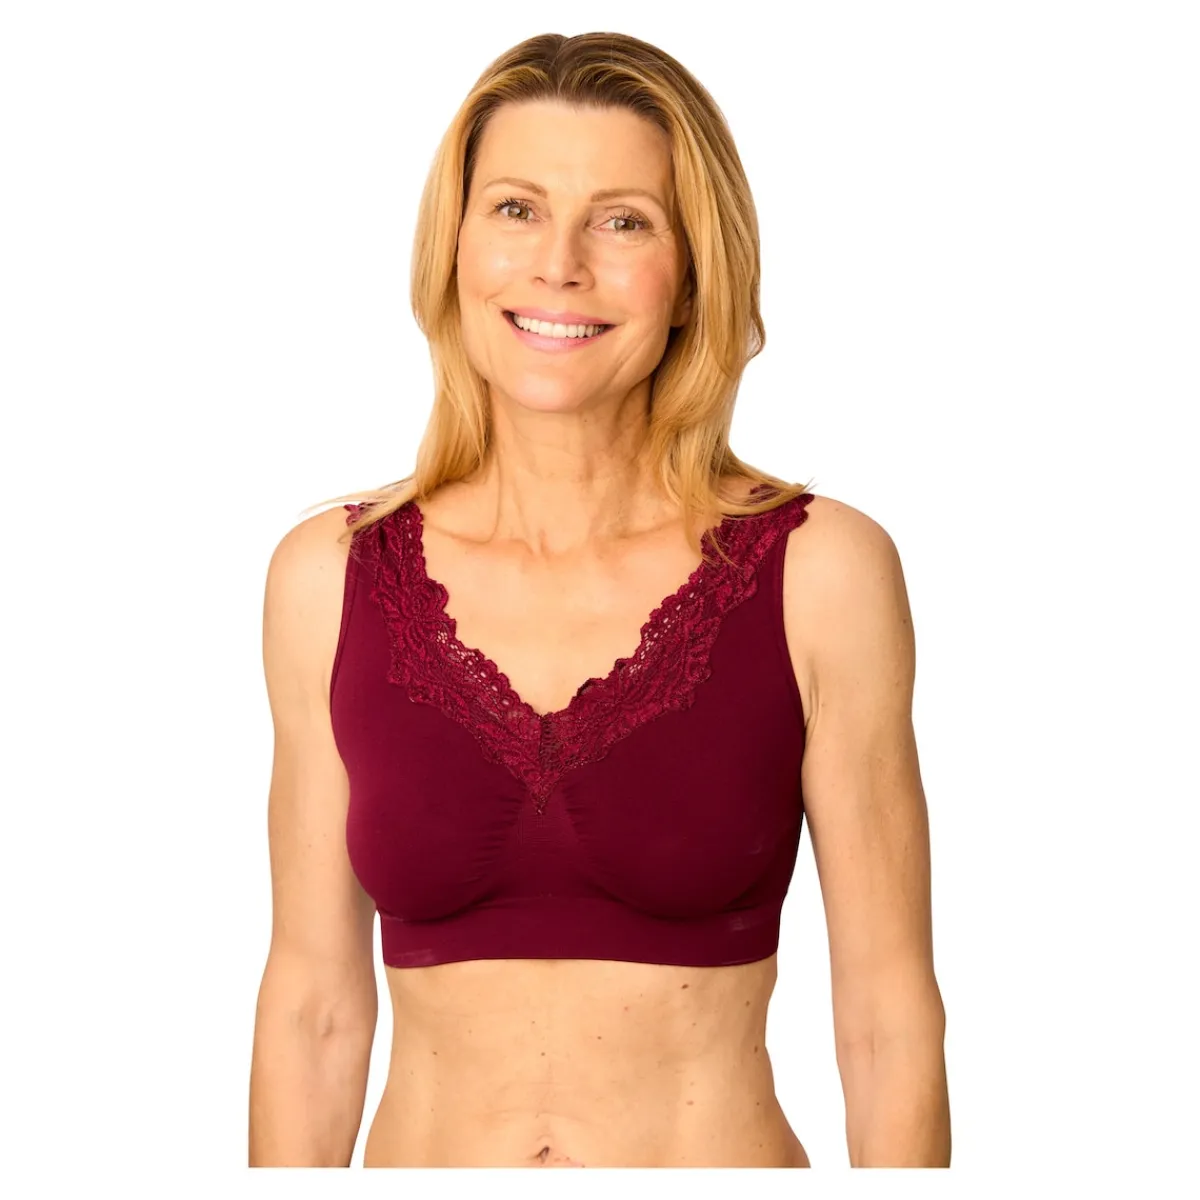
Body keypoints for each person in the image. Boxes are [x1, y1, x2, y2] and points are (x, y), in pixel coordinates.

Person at [248, 31, 949, 1169]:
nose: (560, 266)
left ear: (693, 275)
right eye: (516, 209)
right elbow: (312, 1011)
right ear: (455, 246)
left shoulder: (820, 572)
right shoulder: (327, 578)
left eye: (623, 222)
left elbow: (886, 1020)